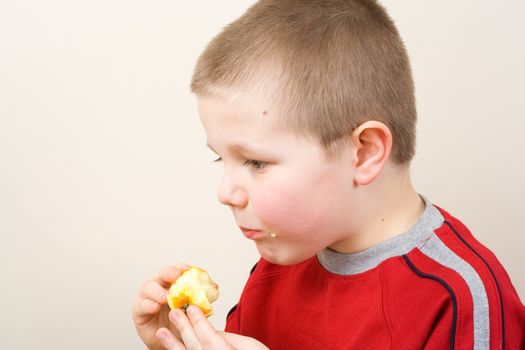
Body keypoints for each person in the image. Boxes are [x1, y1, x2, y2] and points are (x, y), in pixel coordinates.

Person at [132, 0, 525, 349]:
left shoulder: (460, 298)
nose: (226, 193)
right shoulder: (282, 262)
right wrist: (181, 339)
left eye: (255, 162)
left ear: (364, 152)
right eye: (222, 160)